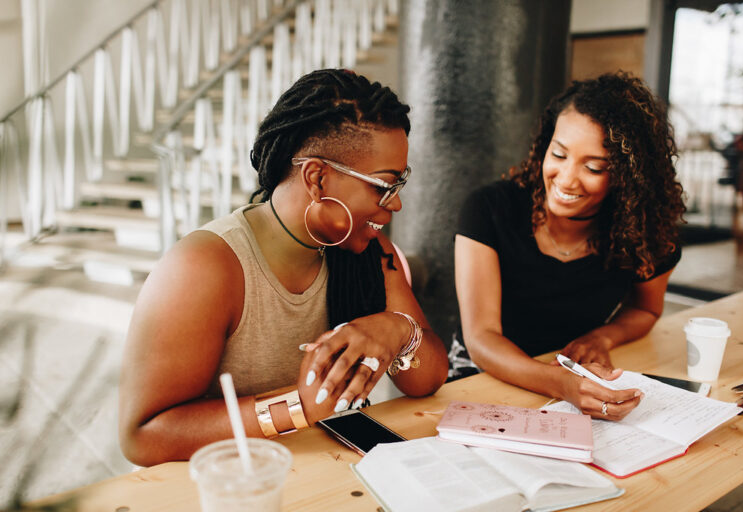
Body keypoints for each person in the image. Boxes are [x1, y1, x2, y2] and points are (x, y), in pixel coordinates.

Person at [119, 69, 448, 466]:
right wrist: (298, 406)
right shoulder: (205, 267)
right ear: (317, 178)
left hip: (324, 475)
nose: (395, 204)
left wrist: (398, 329)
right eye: (383, 186)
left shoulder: (368, 252)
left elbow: (426, 380)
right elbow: (142, 436)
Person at [454, 72, 685, 421]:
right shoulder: (490, 209)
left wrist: (603, 337)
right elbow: (481, 337)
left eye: (593, 167)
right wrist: (559, 383)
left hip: (575, 378)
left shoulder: (645, 232)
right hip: (481, 374)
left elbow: (646, 310)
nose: (566, 179)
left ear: (627, 176)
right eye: (559, 154)